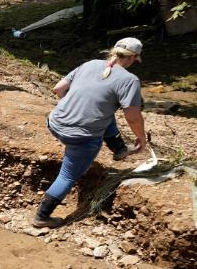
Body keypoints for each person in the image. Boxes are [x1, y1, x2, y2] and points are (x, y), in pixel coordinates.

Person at [33, 39, 147, 228]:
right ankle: (42, 216)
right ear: (134, 58)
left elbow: (58, 89)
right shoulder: (129, 80)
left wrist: (75, 107)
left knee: (104, 110)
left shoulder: (91, 64)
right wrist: (141, 138)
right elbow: (133, 116)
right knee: (67, 176)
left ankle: (119, 148)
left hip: (55, 122)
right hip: (81, 137)